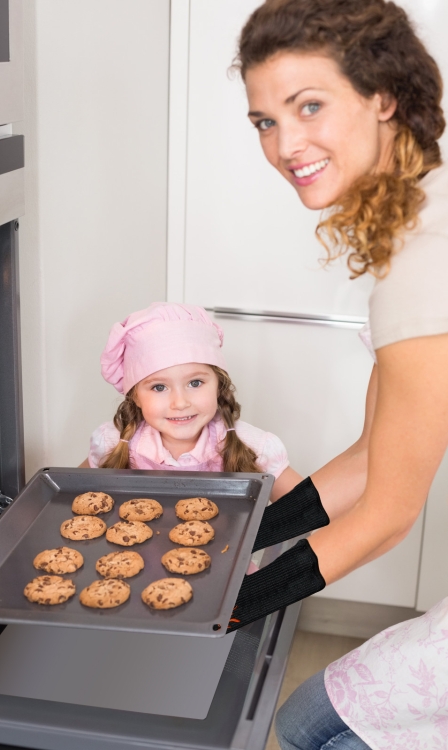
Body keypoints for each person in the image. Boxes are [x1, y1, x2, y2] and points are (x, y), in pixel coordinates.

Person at [231, 0, 448, 748]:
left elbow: (389, 511)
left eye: (310, 106)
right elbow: (373, 456)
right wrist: (244, 535)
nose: (286, 144)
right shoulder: (418, 219)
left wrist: (229, 603)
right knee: (305, 725)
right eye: (265, 121)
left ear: (383, 97)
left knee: (306, 733)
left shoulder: (427, 265)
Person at [82, 300, 301, 499]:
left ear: (219, 385)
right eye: (159, 387)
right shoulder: (111, 442)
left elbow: (304, 512)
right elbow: (67, 501)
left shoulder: (255, 447)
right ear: (135, 397)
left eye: (195, 383)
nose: (180, 403)